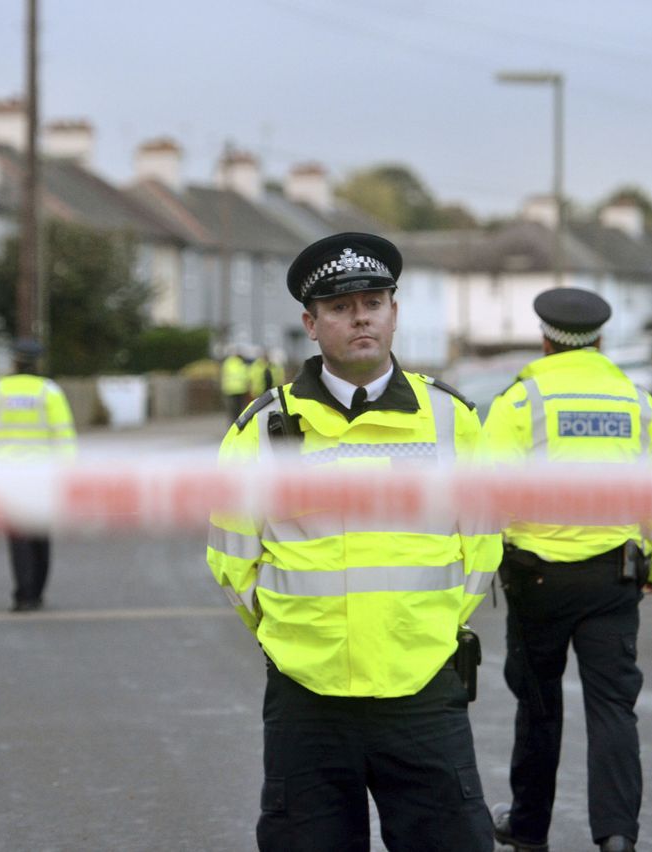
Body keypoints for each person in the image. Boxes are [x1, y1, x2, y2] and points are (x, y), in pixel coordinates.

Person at [207, 232, 501, 851]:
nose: (360, 316)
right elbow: (233, 560)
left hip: (421, 689)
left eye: (373, 301)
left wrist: (429, 625)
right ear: (311, 325)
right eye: (340, 307)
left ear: (394, 312)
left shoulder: (451, 420)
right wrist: (292, 635)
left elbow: (482, 546)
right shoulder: (263, 429)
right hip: (308, 699)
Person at [482, 288, 652, 852]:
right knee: (614, 710)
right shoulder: (636, 401)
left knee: (539, 704)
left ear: (545, 339)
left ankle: (528, 828)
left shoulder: (520, 402)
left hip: (537, 580)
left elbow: (485, 497)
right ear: (600, 340)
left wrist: (482, 567)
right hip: (613, 580)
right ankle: (617, 836)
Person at [0, 339, 75, 612]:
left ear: (13, 361)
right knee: (40, 534)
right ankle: (37, 591)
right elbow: (64, 435)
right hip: (43, 473)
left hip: (8, 474)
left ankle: (23, 595)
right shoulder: (49, 391)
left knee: (18, 537)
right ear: (37, 363)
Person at [220, 345, 250, 422]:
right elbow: (246, 375)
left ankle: (234, 424)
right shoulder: (241, 363)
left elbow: (224, 375)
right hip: (238, 389)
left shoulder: (227, 363)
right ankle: (238, 423)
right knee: (238, 410)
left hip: (232, 389)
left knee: (233, 410)